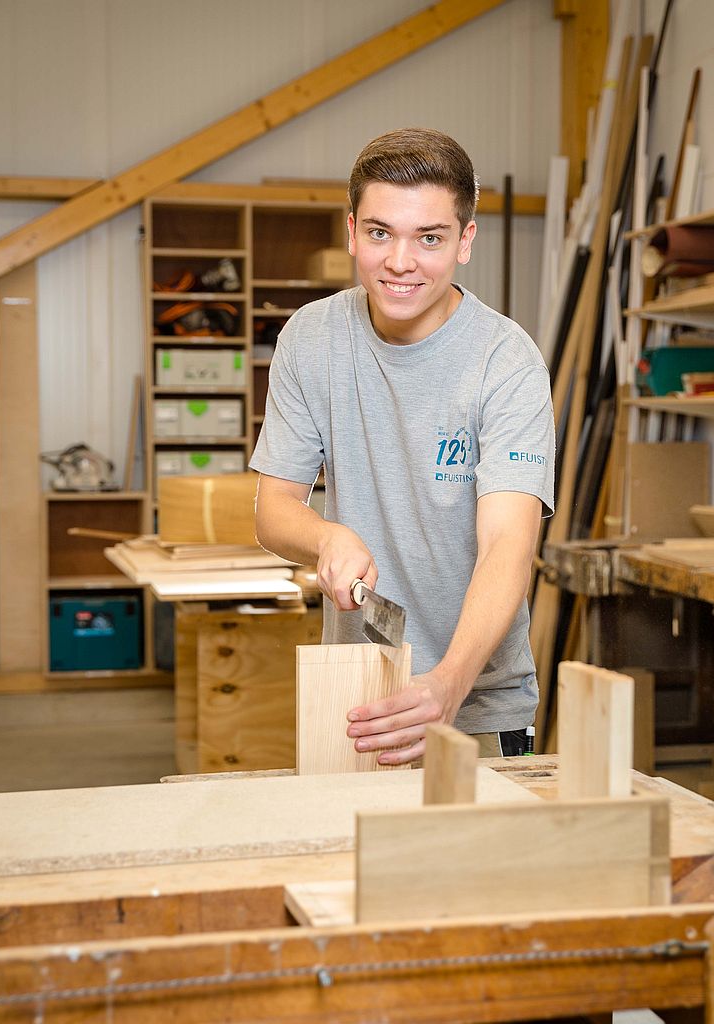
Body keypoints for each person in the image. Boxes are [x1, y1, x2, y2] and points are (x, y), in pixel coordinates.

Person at [251, 127, 555, 764]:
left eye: (430, 238)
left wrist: (447, 686)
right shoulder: (310, 339)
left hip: (477, 706)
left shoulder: (506, 362)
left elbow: (509, 544)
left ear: (465, 241)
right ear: (352, 229)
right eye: (381, 233)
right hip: (358, 699)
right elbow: (273, 509)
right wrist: (325, 536)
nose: (399, 262)